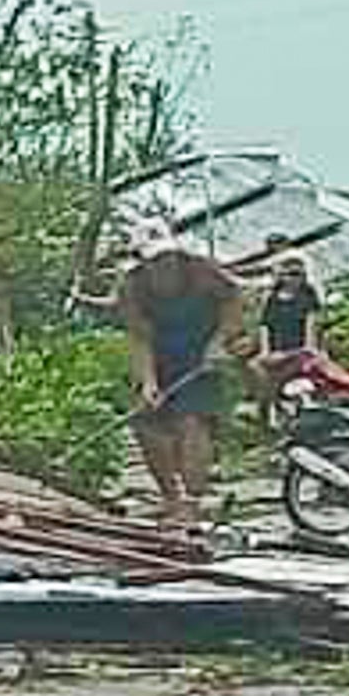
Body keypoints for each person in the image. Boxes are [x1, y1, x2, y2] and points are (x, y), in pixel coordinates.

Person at [111, 221, 241, 532]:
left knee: (191, 423)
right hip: (162, 358)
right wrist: (148, 381)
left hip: (202, 359)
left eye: (167, 257)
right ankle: (172, 498)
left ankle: (194, 502)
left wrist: (219, 342)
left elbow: (234, 302)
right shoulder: (131, 287)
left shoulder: (202, 272)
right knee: (146, 424)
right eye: (155, 260)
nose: (163, 266)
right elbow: (140, 337)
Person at [249, 248, 325, 427]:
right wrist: (265, 351)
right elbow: (265, 326)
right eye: (290, 274)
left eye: (298, 274)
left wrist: (309, 349)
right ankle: (268, 411)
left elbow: (311, 325)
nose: (294, 278)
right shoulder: (272, 298)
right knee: (258, 369)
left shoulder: (308, 297)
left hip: (297, 350)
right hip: (276, 350)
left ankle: (273, 413)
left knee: (275, 373)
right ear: (280, 276)